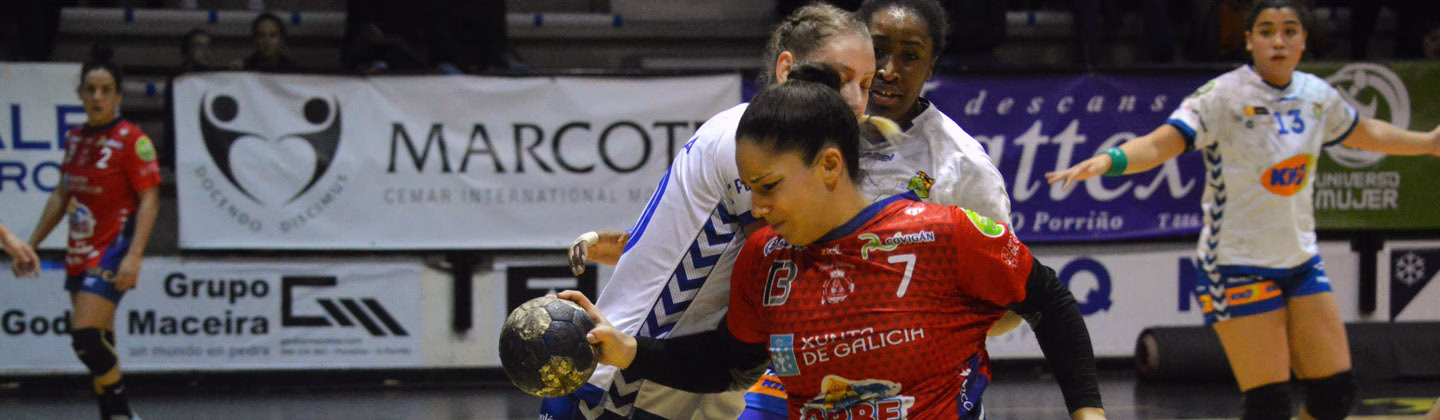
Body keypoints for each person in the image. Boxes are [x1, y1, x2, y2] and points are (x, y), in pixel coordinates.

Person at [560, 66, 1105, 419]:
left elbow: (1050, 301)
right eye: (749, 189)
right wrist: (632, 350)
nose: (756, 206)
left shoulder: (943, 234)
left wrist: (1088, 413)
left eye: (768, 187)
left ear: (828, 165)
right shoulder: (763, 258)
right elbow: (728, 362)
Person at [1046, 1, 1440, 418]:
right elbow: (1161, 144)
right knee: (1269, 405)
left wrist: (1428, 143)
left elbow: (1365, 133)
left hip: (1300, 262)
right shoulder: (1223, 96)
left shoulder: (1317, 95)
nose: (1278, 41)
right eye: (1267, 31)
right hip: (1236, 266)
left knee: (1334, 394)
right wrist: (1110, 161)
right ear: (1249, 40)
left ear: (1304, 40)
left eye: (1289, 31)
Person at [543, 5, 876, 419]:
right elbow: (788, 271)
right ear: (786, 69)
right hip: (629, 384)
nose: (856, 100)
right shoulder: (750, 141)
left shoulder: (759, 137)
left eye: (866, 84)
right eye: (840, 79)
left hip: (697, 380)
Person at [15, 43, 162, 420]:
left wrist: (135, 256)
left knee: (84, 337)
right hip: (80, 249)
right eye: (90, 89)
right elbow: (61, 194)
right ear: (80, 94)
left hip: (115, 246)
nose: (97, 97)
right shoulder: (76, 137)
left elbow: (149, 198)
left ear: (118, 95)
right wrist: (30, 245)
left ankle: (123, 413)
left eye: (106, 90)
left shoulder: (132, 139)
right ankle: (111, 415)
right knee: (100, 338)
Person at [232, 12, 298, 72]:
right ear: (255, 40)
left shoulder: (292, 70)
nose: (267, 41)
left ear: (281, 40)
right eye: (261, 35)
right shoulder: (244, 67)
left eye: (272, 35)